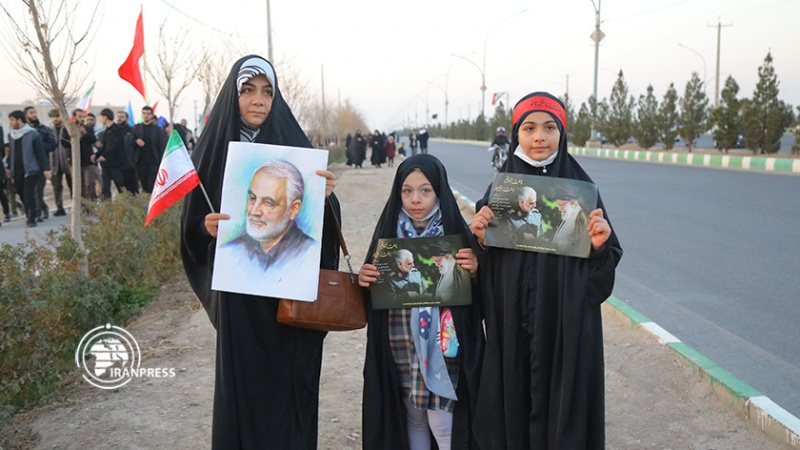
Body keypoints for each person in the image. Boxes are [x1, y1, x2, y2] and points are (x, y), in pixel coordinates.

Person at [180, 55, 340, 449]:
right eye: (248, 90)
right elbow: (191, 228)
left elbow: (320, 224)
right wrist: (205, 227)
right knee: (243, 386)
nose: (258, 100)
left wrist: (326, 198)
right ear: (232, 96)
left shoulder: (295, 145)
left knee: (290, 383)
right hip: (240, 301)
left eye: (267, 92)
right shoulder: (213, 152)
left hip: (288, 296)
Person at [469, 92, 622, 449]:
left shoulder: (582, 193)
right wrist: (482, 243)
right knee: (512, 409)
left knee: (562, 416)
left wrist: (599, 248)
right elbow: (481, 272)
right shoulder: (501, 192)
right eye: (529, 128)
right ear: (516, 135)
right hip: (512, 325)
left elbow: (600, 282)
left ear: (562, 133)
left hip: (564, 330)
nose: (539, 137)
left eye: (550, 127)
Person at [358, 153, 483, 450]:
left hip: (444, 343)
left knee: (441, 418)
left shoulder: (456, 234)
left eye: (425, 190)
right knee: (413, 415)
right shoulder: (388, 236)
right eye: (407, 190)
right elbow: (372, 293)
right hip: (399, 339)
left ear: (439, 191)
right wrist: (364, 278)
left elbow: (482, 295)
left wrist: (477, 269)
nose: (415, 199)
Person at [213, 159, 319, 296]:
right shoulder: (231, 251)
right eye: (252, 198)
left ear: (293, 209)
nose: (254, 211)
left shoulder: (310, 253)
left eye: (268, 203)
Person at [6, 110, 50, 227]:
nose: (10, 123)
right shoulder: (11, 135)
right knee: (21, 194)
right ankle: (32, 212)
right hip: (17, 170)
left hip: (31, 169)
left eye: (12, 120)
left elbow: (40, 152)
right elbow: (11, 153)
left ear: (19, 120)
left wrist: (46, 168)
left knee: (29, 194)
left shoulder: (33, 134)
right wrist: (9, 168)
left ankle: (32, 218)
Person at [92, 108, 137, 199]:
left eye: (101, 117)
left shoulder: (118, 129)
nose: (100, 119)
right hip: (106, 165)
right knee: (105, 188)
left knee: (121, 187)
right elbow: (104, 147)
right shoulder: (106, 131)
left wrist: (104, 156)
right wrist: (96, 155)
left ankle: (127, 204)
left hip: (116, 164)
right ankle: (107, 205)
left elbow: (115, 145)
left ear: (105, 117)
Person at [25, 106, 55, 220]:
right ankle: (42, 207)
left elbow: (53, 145)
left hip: (42, 164)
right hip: (28, 164)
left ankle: (38, 213)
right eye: (31, 113)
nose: (34, 114)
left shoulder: (43, 129)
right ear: (26, 116)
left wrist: (38, 145)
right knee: (30, 191)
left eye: (35, 112)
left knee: (38, 190)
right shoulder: (24, 131)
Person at [132, 106, 168, 193]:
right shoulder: (137, 128)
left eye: (148, 114)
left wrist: (162, 160)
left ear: (152, 115)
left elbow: (161, 145)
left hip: (154, 161)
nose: (146, 115)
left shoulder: (158, 130)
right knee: (143, 183)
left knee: (152, 184)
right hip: (140, 161)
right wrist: (136, 141)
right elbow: (131, 142)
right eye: (144, 113)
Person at [552, 186, 591, 257]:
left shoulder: (583, 219)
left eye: (561, 205)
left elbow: (581, 246)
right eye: (558, 205)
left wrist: (553, 246)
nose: (559, 209)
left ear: (572, 202)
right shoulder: (567, 216)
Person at [48, 109, 72, 216]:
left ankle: (75, 205)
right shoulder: (49, 131)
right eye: (53, 117)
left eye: (57, 116)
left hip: (68, 161)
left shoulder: (67, 128)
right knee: (56, 187)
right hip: (55, 163)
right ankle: (59, 207)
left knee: (72, 185)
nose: (55, 119)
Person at [74, 109, 100, 202]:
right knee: (80, 186)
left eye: (83, 116)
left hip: (88, 161)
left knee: (90, 183)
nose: (82, 119)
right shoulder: (68, 129)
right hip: (76, 162)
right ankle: (83, 205)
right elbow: (64, 143)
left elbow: (93, 140)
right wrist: (76, 136)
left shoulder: (88, 128)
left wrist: (84, 133)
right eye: (79, 116)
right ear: (74, 117)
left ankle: (92, 203)